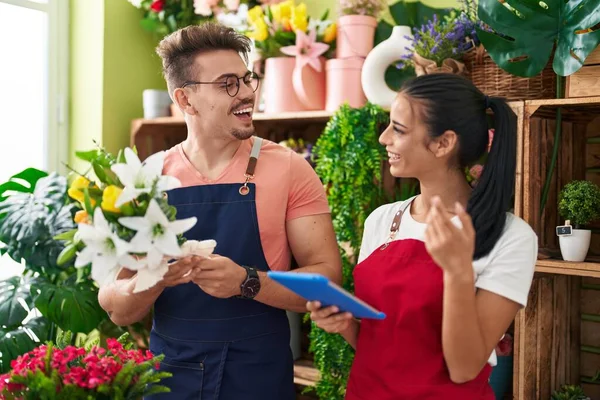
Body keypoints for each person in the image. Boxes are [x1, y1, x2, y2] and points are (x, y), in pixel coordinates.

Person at [98, 22, 342, 400]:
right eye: (228, 83)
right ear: (185, 100)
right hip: (169, 378)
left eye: (247, 80)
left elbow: (328, 282)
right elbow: (116, 306)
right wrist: (156, 278)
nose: (246, 93)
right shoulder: (148, 177)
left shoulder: (290, 169)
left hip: (258, 375)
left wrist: (247, 281)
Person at [307, 73, 538, 399]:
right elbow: (384, 345)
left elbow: (464, 368)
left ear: (443, 143)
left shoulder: (510, 237)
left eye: (398, 130)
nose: (383, 139)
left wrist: (458, 273)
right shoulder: (382, 221)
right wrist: (344, 324)